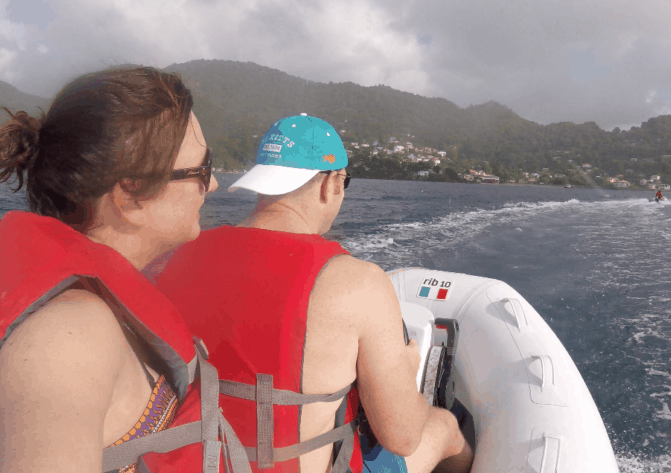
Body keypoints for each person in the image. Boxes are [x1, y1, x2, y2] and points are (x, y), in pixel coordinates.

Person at [0, 67, 248, 472]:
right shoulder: (69, 340)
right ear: (130, 192)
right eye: (202, 169)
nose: (211, 187)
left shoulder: (92, 314)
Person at [155, 115, 474, 473]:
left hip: (190, 462)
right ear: (331, 185)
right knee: (445, 426)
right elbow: (401, 437)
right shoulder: (357, 282)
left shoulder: (175, 255)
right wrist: (406, 369)